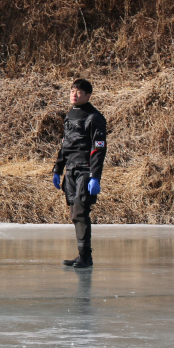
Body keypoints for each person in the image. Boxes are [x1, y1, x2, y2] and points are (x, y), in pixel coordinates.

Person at [52, 79, 107, 269]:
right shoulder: (70, 115)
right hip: (71, 170)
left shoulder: (94, 117)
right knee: (74, 214)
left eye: (79, 92)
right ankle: (82, 255)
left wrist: (95, 176)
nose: (74, 95)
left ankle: (86, 257)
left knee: (80, 212)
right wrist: (58, 169)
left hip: (85, 169)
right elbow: (65, 145)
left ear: (88, 96)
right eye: (72, 91)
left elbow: (98, 148)